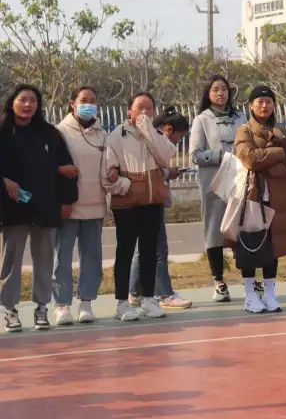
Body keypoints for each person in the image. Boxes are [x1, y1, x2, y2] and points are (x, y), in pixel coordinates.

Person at [0, 84, 78, 332]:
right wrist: (4, 182)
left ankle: (42, 307)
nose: (28, 105)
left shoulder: (50, 134)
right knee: (10, 263)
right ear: (12, 102)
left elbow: (67, 169)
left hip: (45, 208)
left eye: (33, 100)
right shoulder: (3, 132)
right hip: (12, 210)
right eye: (23, 99)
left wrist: (67, 201)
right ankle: (9, 310)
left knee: (44, 261)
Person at [104, 91, 177, 321]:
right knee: (125, 251)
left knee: (149, 251)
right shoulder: (117, 135)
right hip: (127, 203)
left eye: (149, 108)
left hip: (152, 201)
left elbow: (165, 158)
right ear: (130, 110)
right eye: (139, 108)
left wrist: (150, 132)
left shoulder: (155, 133)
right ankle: (122, 302)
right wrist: (127, 185)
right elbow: (108, 172)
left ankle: (148, 299)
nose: (144, 112)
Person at [233, 86, 286, 314]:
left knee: (274, 244)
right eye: (260, 101)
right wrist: (277, 153)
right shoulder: (244, 131)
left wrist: (269, 166)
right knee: (250, 244)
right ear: (251, 105)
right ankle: (250, 295)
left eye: (269, 101)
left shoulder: (283, 132)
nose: (264, 105)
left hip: (277, 196)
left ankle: (270, 293)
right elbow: (249, 159)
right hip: (252, 196)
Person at [53, 86, 108, 325]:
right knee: (62, 258)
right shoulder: (60, 132)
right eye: (84, 100)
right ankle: (61, 305)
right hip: (68, 206)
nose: (89, 105)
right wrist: (61, 200)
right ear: (72, 103)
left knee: (92, 258)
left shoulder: (102, 134)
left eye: (93, 101)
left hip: (95, 204)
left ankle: (86, 302)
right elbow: (53, 167)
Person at [130, 108, 191, 310]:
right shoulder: (155, 141)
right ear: (168, 129)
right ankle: (164, 293)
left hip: (145, 197)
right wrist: (168, 172)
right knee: (158, 249)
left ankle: (133, 291)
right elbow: (152, 169)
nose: (177, 143)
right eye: (178, 138)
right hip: (150, 198)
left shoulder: (147, 138)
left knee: (143, 248)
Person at [189, 74, 242, 303]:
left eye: (224, 89)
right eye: (215, 89)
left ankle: (250, 279)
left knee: (243, 228)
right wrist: (221, 155)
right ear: (208, 94)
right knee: (214, 231)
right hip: (214, 181)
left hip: (239, 179)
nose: (220, 93)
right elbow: (195, 155)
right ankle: (219, 281)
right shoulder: (202, 119)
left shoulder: (241, 117)